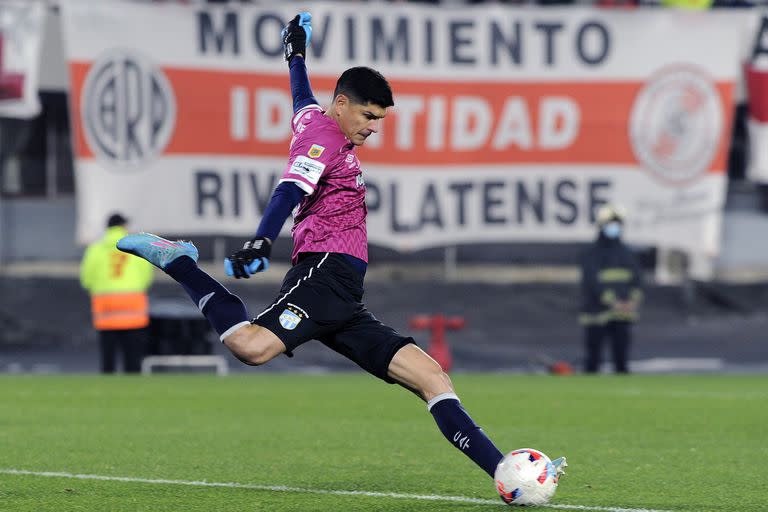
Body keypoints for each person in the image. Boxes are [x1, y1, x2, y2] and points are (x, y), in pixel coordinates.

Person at [116, 12, 566, 486]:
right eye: (369, 116)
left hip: (345, 297)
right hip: (323, 275)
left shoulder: (316, 118)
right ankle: (180, 261)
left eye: (380, 119)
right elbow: (288, 189)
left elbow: (300, 98)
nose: (373, 127)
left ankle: (501, 472)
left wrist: (295, 53)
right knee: (248, 346)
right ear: (344, 104)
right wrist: (263, 239)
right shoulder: (322, 140)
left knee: (432, 378)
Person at [80, 213, 154, 373]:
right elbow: (147, 275)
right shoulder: (136, 247)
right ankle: (134, 392)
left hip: (106, 309)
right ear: (123, 226)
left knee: (108, 360)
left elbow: (86, 278)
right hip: (133, 308)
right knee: (133, 360)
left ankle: (106, 392)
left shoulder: (95, 249)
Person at [579, 205, 643, 374]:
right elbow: (592, 281)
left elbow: (637, 279)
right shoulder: (592, 253)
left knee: (621, 359)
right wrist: (612, 301)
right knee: (593, 360)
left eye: (617, 224)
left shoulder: (626, 252)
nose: (614, 228)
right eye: (610, 224)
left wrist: (632, 301)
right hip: (596, 313)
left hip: (622, 314)